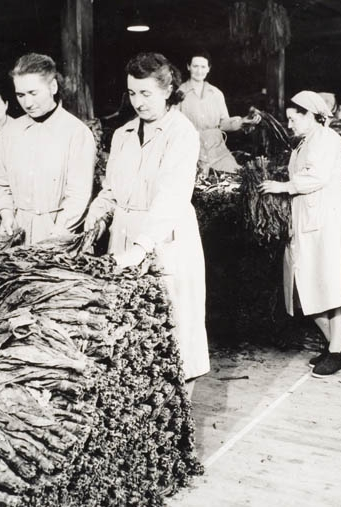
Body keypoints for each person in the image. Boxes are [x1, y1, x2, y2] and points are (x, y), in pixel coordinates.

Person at [84, 52, 209, 395]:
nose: (138, 102)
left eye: (146, 94)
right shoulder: (122, 134)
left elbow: (171, 196)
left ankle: (181, 429)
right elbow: (111, 188)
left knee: (176, 333)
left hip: (166, 240)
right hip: (124, 237)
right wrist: (95, 216)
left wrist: (141, 247)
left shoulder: (182, 133)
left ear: (168, 91)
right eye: (133, 93)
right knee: (132, 334)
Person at [260, 90, 341, 378]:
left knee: (330, 284)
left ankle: (336, 354)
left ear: (311, 115)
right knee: (310, 285)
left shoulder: (326, 139)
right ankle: (338, 344)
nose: (290, 125)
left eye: (294, 119)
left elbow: (317, 177)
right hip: (311, 217)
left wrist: (283, 186)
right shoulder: (306, 142)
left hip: (328, 218)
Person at [0, 53, 95, 245]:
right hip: (16, 236)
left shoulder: (77, 133)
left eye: (33, 93)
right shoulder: (9, 133)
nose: (27, 103)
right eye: (21, 95)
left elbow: (78, 195)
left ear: (52, 87)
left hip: (60, 236)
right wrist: (6, 215)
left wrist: (58, 233)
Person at [178, 49, 256, 174]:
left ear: (208, 69)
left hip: (217, 151)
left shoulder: (216, 94)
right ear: (188, 67)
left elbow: (223, 123)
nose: (199, 71)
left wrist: (242, 121)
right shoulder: (179, 94)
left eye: (203, 67)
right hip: (190, 151)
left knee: (236, 176)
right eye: (195, 66)